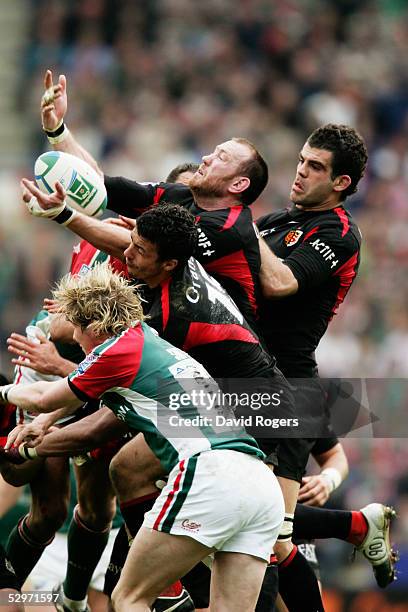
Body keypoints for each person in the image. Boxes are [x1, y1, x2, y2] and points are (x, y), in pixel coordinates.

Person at [0, 263, 285, 612]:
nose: (75, 339)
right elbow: (87, 393)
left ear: (96, 324)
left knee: (128, 598)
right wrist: (45, 423)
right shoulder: (149, 343)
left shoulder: (117, 349)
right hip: (258, 482)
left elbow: (48, 396)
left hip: (209, 474)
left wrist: (4, 394)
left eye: (76, 329)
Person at [257, 124, 396, 597]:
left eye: (314, 167)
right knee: (257, 524)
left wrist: (235, 226)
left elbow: (279, 284)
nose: (299, 172)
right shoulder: (274, 223)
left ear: (341, 182)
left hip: (290, 385)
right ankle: (355, 525)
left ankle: (354, 525)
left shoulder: (340, 234)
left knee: (270, 535)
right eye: (301, 160)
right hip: (245, 377)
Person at [40, 70, 268, 333]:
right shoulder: (180, 196)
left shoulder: (230, 228)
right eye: (213, 152)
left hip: (227, 361)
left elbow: (141, 249)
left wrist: (64, 214)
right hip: (179, 340)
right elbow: (98, 183)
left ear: (238, 184)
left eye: (222, 158)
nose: (206, 158)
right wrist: (57, 129)